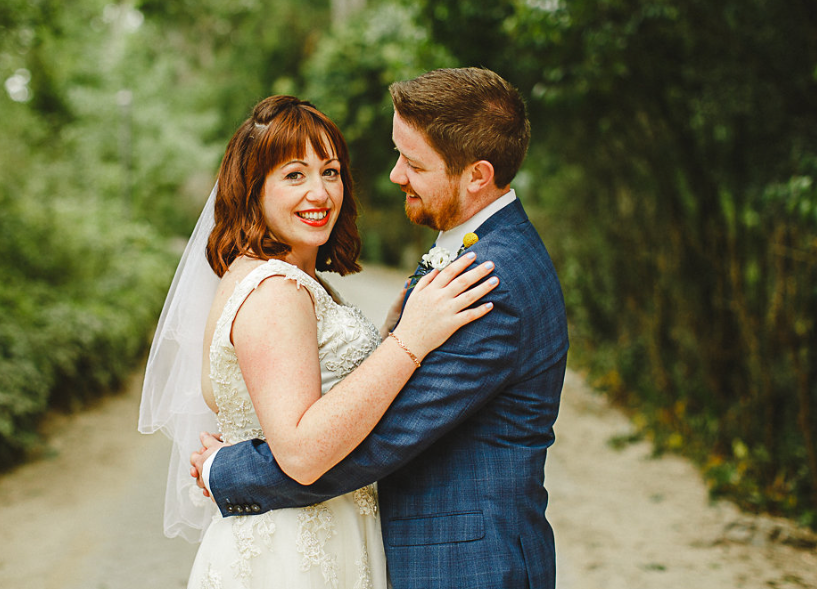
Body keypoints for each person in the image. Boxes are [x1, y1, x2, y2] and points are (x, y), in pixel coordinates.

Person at [192, 68, 569, 589]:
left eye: (414, 163)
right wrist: (401, 336)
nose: (395, 175)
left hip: (467, 569)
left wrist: (227, 471)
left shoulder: (488, 280)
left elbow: (381, 438)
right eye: (294, 175)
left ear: (477, 175)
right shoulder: (475, 251)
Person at [138, 94, 498, 589]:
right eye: (294, 175)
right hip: (294, 551)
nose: (320, 192)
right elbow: (302, 453)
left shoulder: (281, 277)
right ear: (253, 189)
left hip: (317, 530)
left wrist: (391, 331)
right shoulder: (275, 291)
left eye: (330, 172)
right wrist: (409, 341)